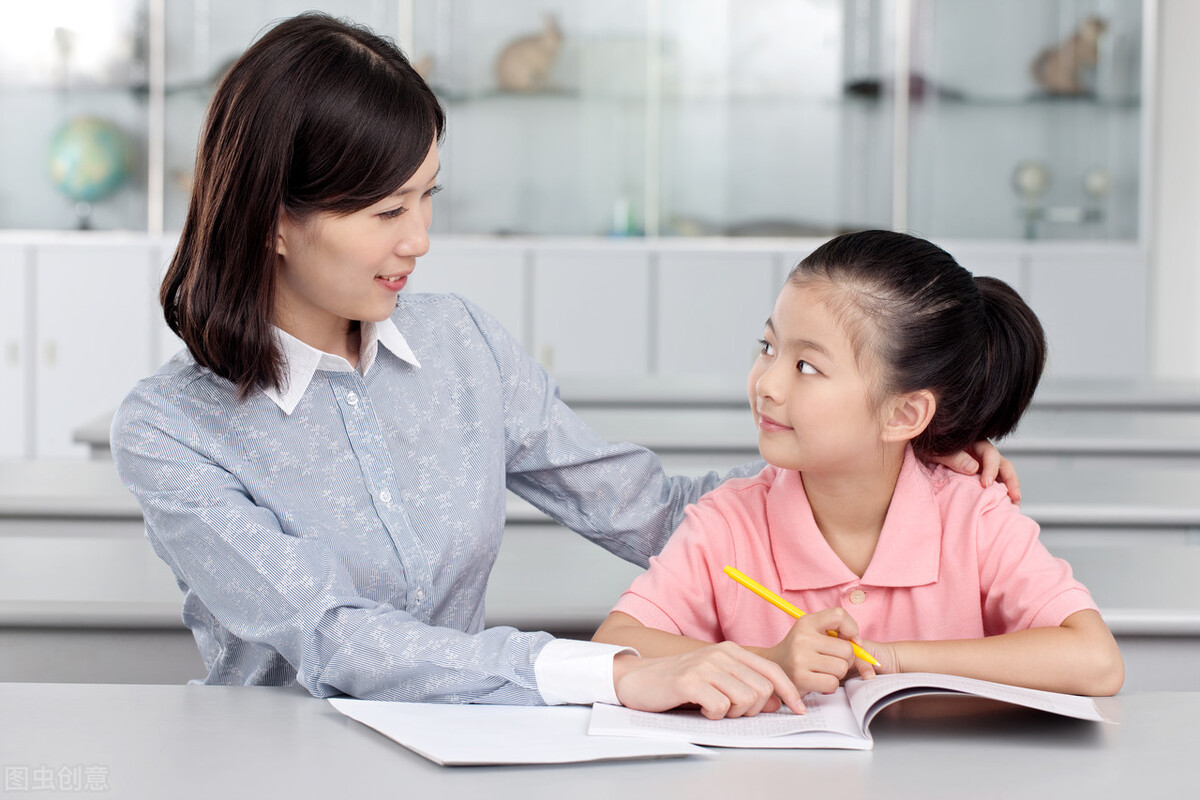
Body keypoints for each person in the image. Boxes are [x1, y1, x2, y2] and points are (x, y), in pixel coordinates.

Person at [111, 13, 1018, 715]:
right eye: (387, 213)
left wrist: (878, 471)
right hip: (274, 764)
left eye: (429, 199)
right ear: (276, 215)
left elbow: (651, 512)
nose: (420, 241)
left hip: (461, 750)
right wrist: (618, 675)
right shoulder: (171, 429)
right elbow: (336, 638)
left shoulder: (459, 344)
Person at [594, 230, 1125, 701]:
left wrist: (892, 660)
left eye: (806, 366)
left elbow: (1096, 661)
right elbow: (616, 645)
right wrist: (770, 659)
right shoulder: (726, 523)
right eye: (768, 346)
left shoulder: (974, 516)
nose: (767, 385)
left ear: (904, 414)